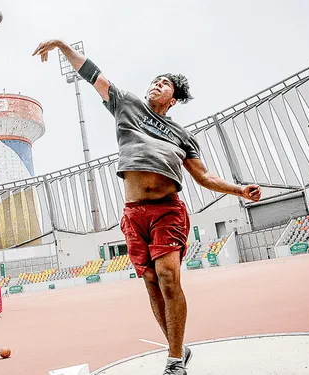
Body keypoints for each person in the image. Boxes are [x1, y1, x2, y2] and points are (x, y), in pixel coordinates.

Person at [33, 40, 261, 375]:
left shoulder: (181, 135)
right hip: (133, 213)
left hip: (166, 210)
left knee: (169, 277)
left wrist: (238, 189)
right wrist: (62, 45)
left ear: (174, 98)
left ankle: (172, 362)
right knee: (152, 282)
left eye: (165, 83)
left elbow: (203, 176)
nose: (157, 84)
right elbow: (91, 74)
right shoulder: (127, 105)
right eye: (155, 80)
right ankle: (179, 350)